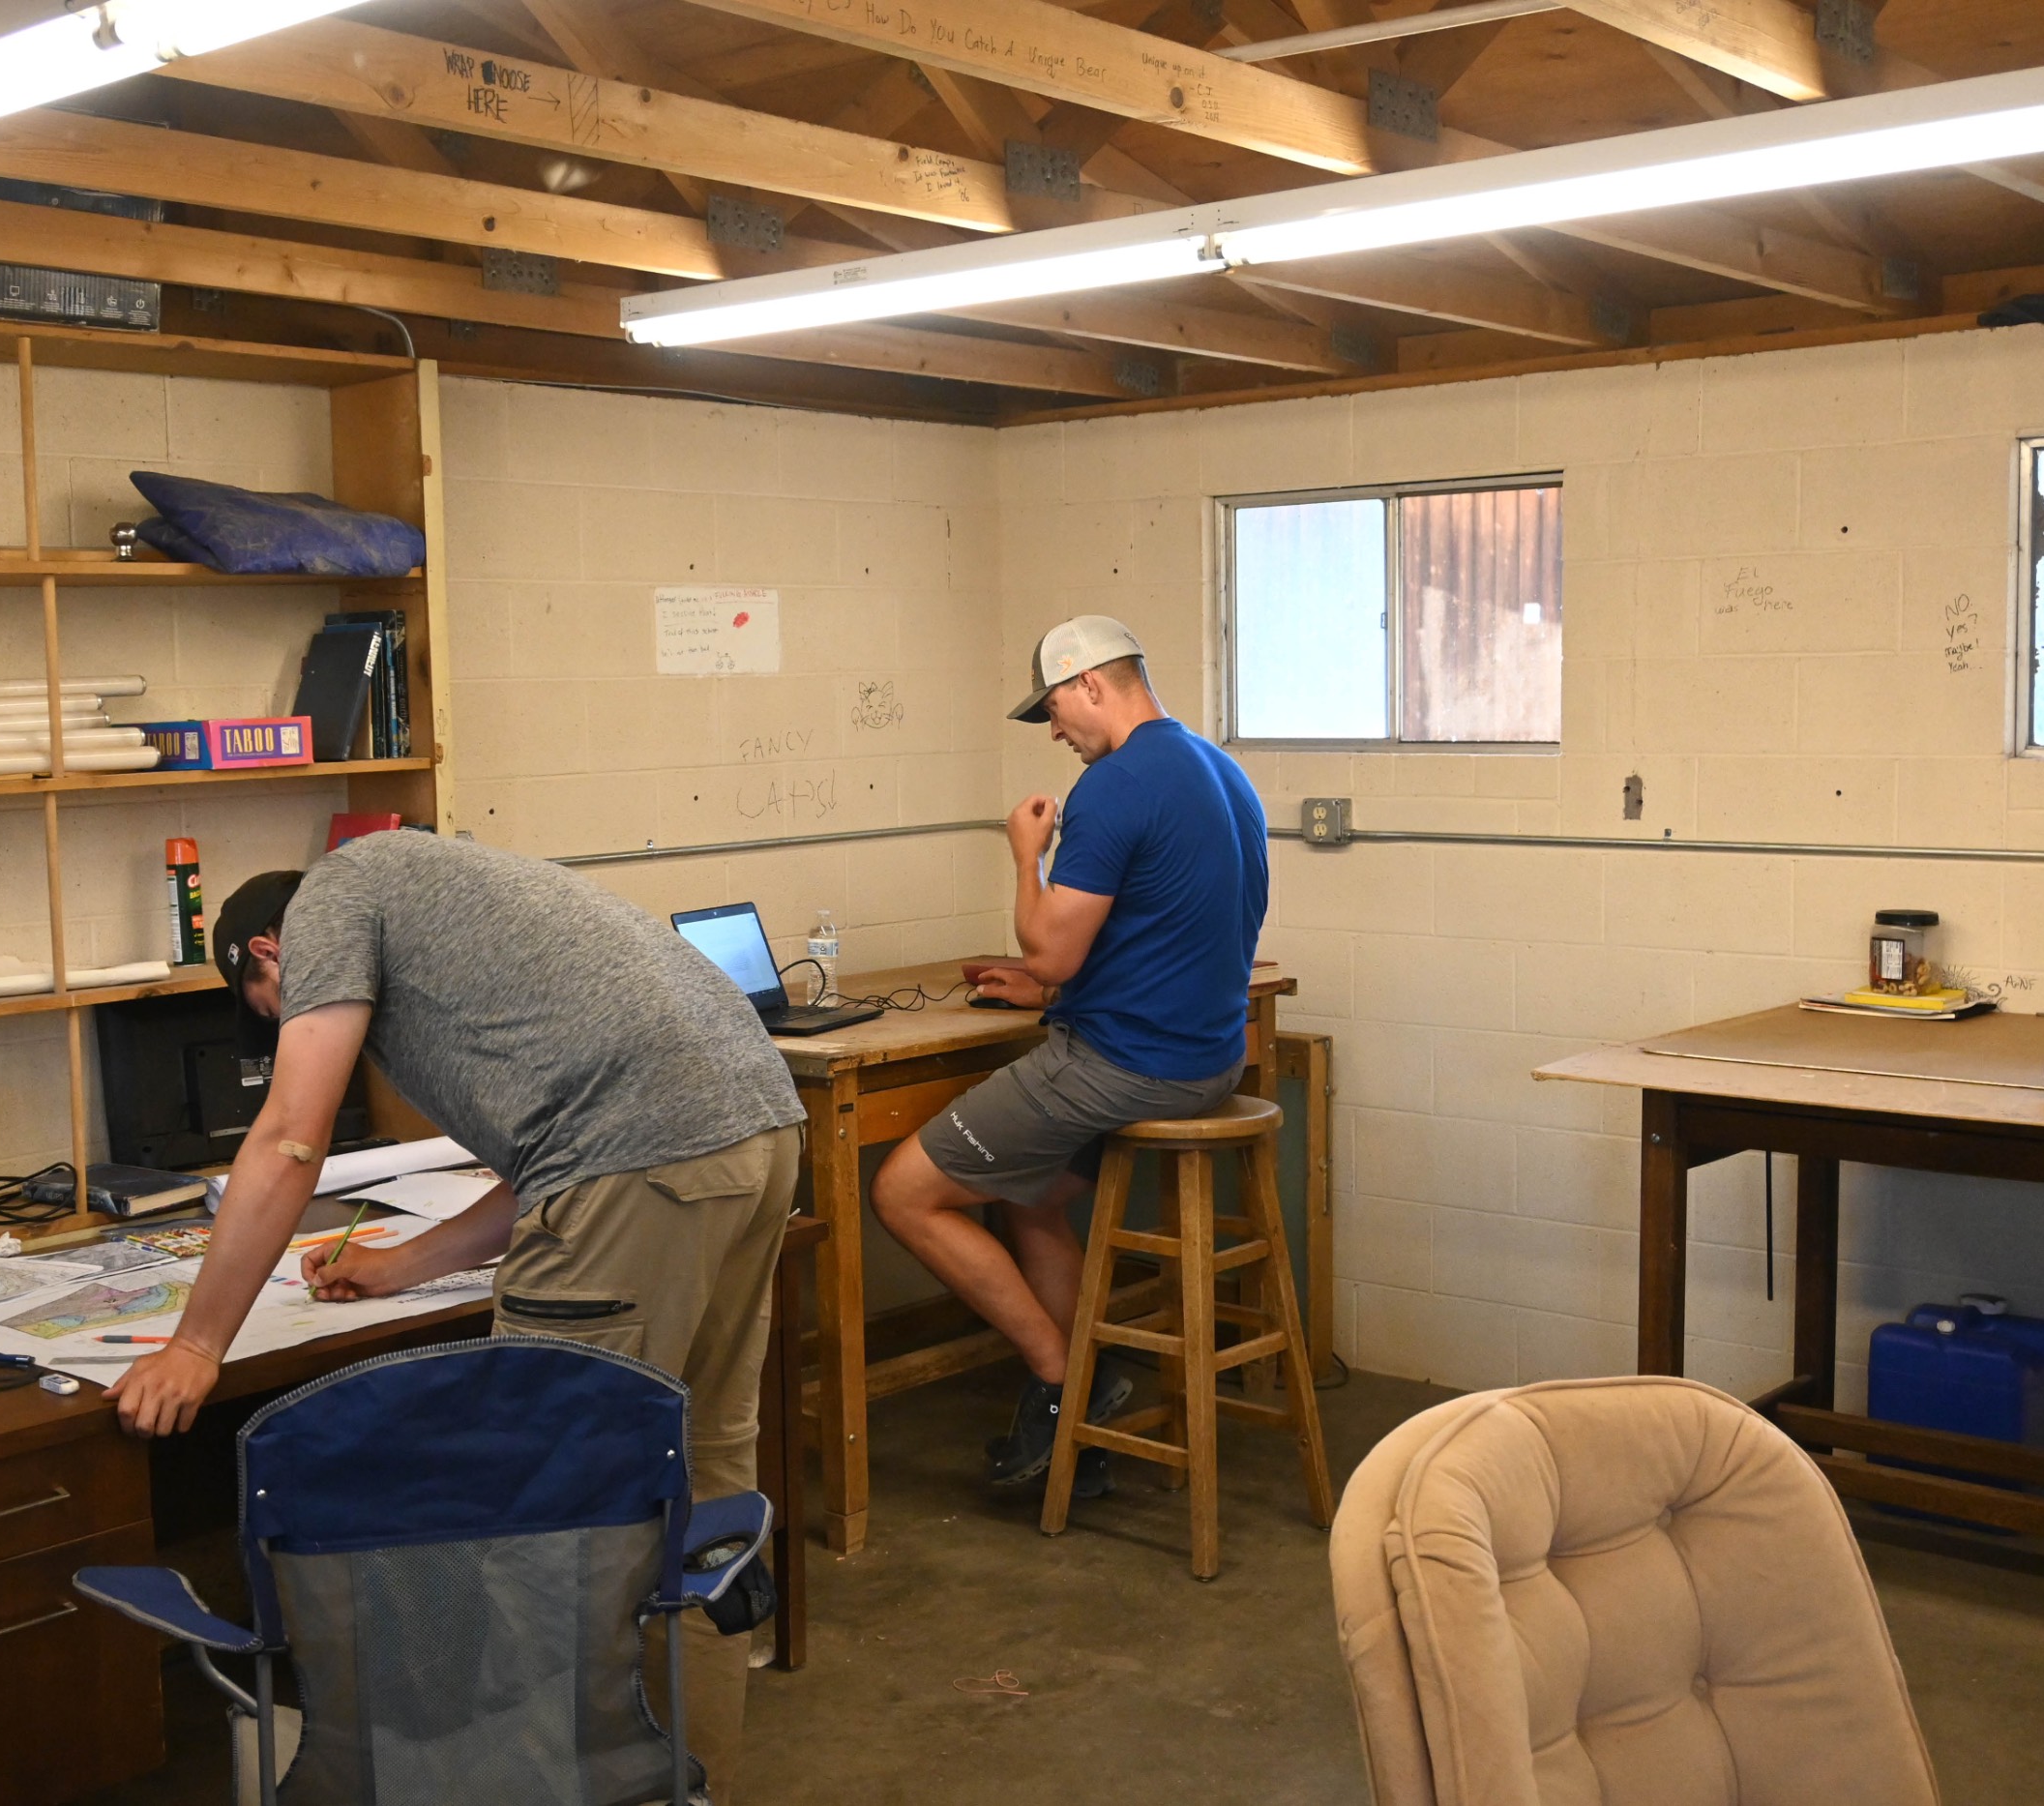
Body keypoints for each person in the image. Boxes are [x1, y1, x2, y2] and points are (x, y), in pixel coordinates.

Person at [106, 831, 806, 1800]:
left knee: (543, 1541)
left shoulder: (330, 902)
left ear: (268, 952)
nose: (298, 1030)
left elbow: (291, 1136)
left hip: (641, 1160)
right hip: (756, 1132)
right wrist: (403, 1264)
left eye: (276, 1014)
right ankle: (692, 1785)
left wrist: (195, 1344)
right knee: (700, 1511)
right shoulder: (436, 884)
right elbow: (561, 1157)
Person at [871, 614, 1269, 1493]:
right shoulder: (1223, 771)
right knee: (1031, 1197)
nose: (1054, 730)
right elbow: (1170, 936)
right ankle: (1080, 1384)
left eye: (1053, 707)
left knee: (902, 1191)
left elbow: (1051, 945)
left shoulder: (1117, 786)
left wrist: (1025, 857)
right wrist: (1050, 994)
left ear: (1091, 683)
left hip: (1125, 1065)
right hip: (1206, 1060)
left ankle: (1063, 1386)